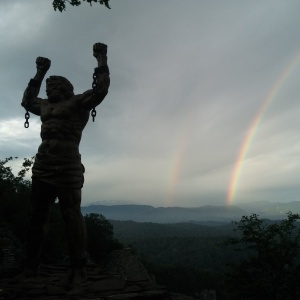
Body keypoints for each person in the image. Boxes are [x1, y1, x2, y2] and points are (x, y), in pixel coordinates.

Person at [21, 43, 110, 284]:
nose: (49, 90)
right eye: (48, 87)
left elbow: (100, 90)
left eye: (53, 85)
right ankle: (32, 263)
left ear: (65, 88)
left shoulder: (77, 103)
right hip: (43, 164)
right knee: (37, 214)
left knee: (71, 214)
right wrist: (40, 72)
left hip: (67, 164)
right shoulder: (45, 106)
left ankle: (78, 267)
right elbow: (27, 101)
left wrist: (101, 59)